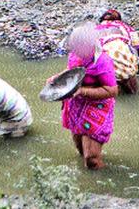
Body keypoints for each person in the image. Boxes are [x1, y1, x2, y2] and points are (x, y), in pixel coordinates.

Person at [49, 22, 118, 170]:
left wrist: (83, 91)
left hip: (96, 107)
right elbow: (71, 71)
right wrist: (57, 78)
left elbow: (112, 90)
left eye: (77, 47)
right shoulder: (75, 55)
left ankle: (100, 187)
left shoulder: (103, 62)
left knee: (91, 159)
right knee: (80, 150)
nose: (74, 51)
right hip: (77, 106)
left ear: (90, 46)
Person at [97, 9, 139, 94]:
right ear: (119, 20)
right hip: (120, 52)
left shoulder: (95, 29)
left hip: (101, 58)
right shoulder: (126, 27)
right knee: (131, 92)